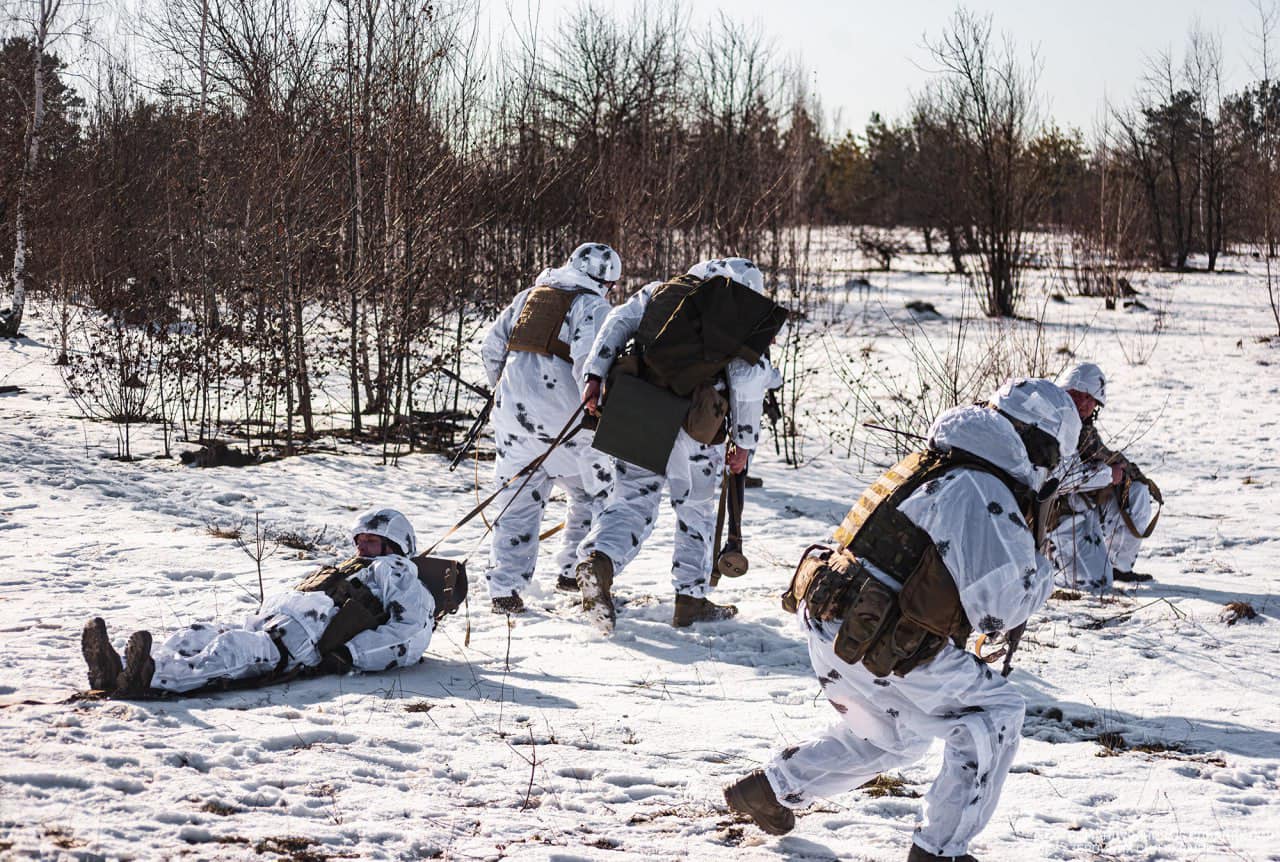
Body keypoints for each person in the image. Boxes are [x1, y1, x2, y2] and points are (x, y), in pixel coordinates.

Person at [722, 378, 1081, 862]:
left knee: (895, 736)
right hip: (882, 637)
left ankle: (771, 790)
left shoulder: (942, 460)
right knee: (994, 714)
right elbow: (1002, 608)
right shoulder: (982, 487)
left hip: (838, 620)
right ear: (1041, 442)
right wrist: (1040, 565)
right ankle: (940, 851)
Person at [577, 257, 783, 631]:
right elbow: (747, 379)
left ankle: (598, 562)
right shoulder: (740, 311)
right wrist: (744, 442)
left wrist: (594, 375)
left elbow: (617, 323)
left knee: (631, 500)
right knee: (697, 510)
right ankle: (690, 599)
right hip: (697, 422)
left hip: (637, 403)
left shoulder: (663, 290)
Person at [81, 508, 448, 697]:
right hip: (273, 623)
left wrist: (351, 655)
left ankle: (152, 677)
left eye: (370, 541)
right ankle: (121, 666)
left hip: (304, 642)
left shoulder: (396, 571)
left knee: (231, 649)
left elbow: (409, 632)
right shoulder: (354, 567)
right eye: (360, 539)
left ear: (394, 544)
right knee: (196, 635)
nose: (360, 546)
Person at [478, 243, 620, 614]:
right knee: (597, 493)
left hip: (512, 419)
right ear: (609, 283)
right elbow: (589, 364)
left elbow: (491, 349)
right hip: (567, 423)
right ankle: (577, 573)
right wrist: (598, 410)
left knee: (516, 502)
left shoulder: (528, 297)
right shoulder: (593, 307)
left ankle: (505, 590)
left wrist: (511, 394)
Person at [1049, 362, 1158, 590]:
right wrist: (1109, 474)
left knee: (1137, 492)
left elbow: (1103, 457)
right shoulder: (1052, 422)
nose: (1083, 403)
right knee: (1094, 583)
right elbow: (1064, 479)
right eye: (1077, 395)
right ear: (1065, 392)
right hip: (1053, 518)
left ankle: (1120, 566)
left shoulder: (1084, 429)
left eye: (1090, 400)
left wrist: (1125, 473)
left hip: (1083, 508)